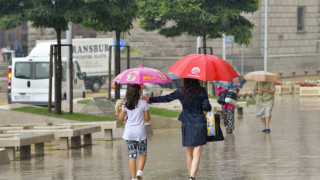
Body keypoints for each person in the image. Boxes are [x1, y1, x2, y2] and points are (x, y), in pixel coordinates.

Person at [143, 78, 211, 180]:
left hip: (186, 122)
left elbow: (166, 98)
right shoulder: (202, 91)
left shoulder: (180, 91)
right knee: (197, 152)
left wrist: (150, 99)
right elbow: (207, 107)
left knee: (189, 152)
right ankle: (192, 176)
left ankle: (191, 176)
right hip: (199, 122)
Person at [118, 84, 150, 180]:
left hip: (129, 133)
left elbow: (120, 118)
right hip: (140, 132)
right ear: (139, 91)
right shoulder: (143, 103)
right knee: (142, 153)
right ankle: (139, 171)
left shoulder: (126, 103)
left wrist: (121, 107)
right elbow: (147, 119)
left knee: (132, 154)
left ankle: (133, 178)